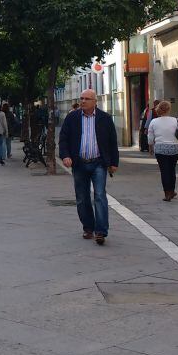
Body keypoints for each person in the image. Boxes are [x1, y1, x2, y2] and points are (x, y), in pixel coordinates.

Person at [59, 89, 119, 245]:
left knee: (99, 195)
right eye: (81, 98)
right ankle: (88, 228)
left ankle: (101, 232)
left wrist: (113, 163)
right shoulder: (72, 118)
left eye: (87, 99)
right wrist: (65, 155)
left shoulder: (104, 118)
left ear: (95, 101)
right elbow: (63, 138)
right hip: (79, 164)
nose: (83, 101)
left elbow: (112, 141)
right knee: (82, 198)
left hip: (98, 162)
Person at [147, 100, 178, 202]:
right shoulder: (176, 121)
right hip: (174, 148)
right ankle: (172, 191)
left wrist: (151, 147)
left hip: (160, 149)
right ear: (169, 109)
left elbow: (150, 137)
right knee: (172, 170)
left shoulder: (154, 122)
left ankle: (167, 193)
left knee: (164, 171)